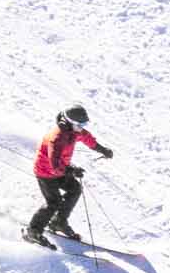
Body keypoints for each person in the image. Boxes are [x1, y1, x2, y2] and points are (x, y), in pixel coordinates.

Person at [26, 104, 110, 244]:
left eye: (84, 124)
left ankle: (59, 222)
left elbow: (86, 138)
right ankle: (33, 231)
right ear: (69, 122)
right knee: (54, 202)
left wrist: (102, 149)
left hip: (61, 170)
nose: (82, 127)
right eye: (80, 124)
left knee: (75, 189)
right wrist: (71, 170)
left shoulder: (74, 130)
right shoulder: (56, 139)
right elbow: (55, 165)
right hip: (46, 173)